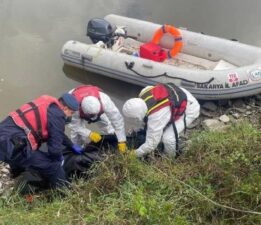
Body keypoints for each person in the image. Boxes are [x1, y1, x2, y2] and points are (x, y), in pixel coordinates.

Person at [0, 93, 79, 188]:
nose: (70, 116)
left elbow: (58, 133)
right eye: (71, 113)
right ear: (65, 108)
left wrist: (71, 144)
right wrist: (59, 158)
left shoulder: (46, 102)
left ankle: (10, 177)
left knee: (21, 161)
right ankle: (65, 193)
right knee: (54, 167)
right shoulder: (58, 115)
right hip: (13, 145)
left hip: (4, 134)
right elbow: (54, 150)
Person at [122, 83, 200, 158]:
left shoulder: (156, 117)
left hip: (190, 108)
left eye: (134, 118)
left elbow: (151, 144)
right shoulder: (143, 93)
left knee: (168, 138)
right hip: (180, 94)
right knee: (157, 131)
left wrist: (133, 154)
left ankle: (170, 159)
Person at [68, 85, 127, 153]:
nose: (94, 117)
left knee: (105, 123)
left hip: (97, 108)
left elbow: (117, 120)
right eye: (91, 115)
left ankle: (110, 136)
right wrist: (89, 134)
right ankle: (77, 147)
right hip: (76, 105)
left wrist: (122, 140)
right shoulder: (73, 107)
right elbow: (74, 126)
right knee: (76, 134)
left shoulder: (104, 101)